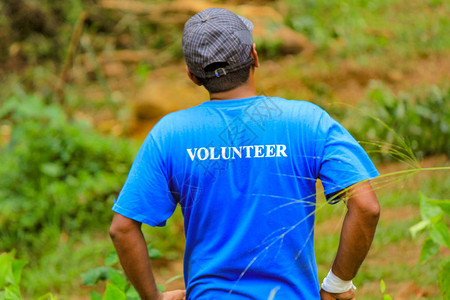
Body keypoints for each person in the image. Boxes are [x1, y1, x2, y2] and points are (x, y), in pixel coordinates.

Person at [109, 7, 380, 300]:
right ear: (254, 56)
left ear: (192, 75)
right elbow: (366, 206)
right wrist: (337, 285)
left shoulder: (169, 134)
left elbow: (122, 229)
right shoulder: (307, 120)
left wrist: (155, 297)